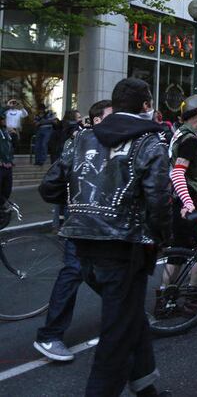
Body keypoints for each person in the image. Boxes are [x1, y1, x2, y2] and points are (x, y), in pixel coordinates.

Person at [39, 78, 172, 397]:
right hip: (124, 247)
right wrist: (162, 236)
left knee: (127, 316)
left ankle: (145, 386)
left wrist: (84, 208)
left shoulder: (81, 137)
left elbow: (50, 187)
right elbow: (158, 200)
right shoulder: (151, 142)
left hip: (83, 243)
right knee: (116, 335)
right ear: (145, 106)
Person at [33, 100, 113, 363]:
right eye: (111, 117)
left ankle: (125, 315)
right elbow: (51, 185)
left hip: (94, 220)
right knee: (75, 271)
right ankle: (49, 334)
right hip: (83, 220)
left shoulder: (103, 142)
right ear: (97, 120)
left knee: (97, 272)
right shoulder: (82, 142)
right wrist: (72, 204)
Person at [0, 114, 12, 213]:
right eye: (3, 119)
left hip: (7, 164)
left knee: (7, 188)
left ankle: (3, 204)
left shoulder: (5, 131)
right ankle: (3, 204)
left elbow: (9, 147)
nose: (5, 121)